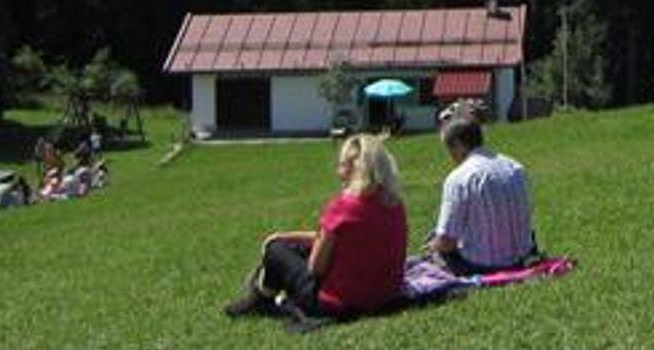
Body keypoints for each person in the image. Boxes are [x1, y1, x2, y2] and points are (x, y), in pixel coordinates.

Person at [225, 133, 407, 321]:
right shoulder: (394, 203)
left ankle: (261, 297)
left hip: (339, 304)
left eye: (342, 165)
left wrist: (278, 241)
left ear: (354, 169)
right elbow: (341, 237)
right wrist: (286, 236)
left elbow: (315, 268)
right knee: (292, 247)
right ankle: (261, 297)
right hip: (384, 297)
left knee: (275, 250)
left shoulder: (343, 207)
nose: (338, 172)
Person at [426, 112, 536, 274]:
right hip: (522, 257)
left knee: (436, 249)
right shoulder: (515, 167)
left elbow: (447, 242)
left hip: (483, 264)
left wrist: (433, 245)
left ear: (458, 144)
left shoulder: (459, 178)